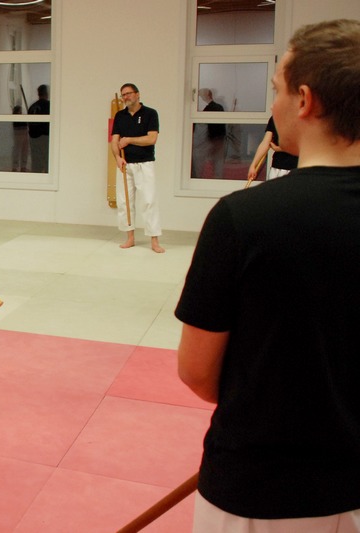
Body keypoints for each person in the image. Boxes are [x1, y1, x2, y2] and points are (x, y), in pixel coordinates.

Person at [176, 19, 360, 532]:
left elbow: (197, 370)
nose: (273, 104)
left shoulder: (245, 218)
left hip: (262, 489)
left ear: (305, 100)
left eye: (277, 89)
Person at [110, 83, 164, 253]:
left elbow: (151, 139)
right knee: (124, 202)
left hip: (145, 163)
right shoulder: (120, 116)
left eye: (129, 93)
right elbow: (114, 140)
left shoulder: (150, 113)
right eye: (123, 95)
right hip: (125, 164)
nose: (126, 97)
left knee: (149, 201)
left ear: (138, 94)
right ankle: (130, 238)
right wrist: (117, 157)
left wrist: (129, 140)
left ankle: (154, 240)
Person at [247, 116, 298, 182]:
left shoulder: (303, 117)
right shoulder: (275, 118)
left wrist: (280, 148)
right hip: (277, 167)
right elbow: (265, 143)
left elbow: (304, 145)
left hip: (296, 168)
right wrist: (253, 165)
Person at [192, 88, 226, 178]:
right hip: (216, 140)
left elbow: (218, 126)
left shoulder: (208, 109)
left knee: (201, 164)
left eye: (200, 96)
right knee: (218, 165)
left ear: (206, 96)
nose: (200, 98)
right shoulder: (218, 107)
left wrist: (215, 141)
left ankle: (198, 179)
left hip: (211, 141)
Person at [28, 84, 50, 173]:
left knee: (36, 161)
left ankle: (36, 176)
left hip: (33, 138)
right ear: (46, 93)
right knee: (47, 161)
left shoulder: (32, 107)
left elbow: (29, 123)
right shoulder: (49, 105)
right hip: (45, 137)